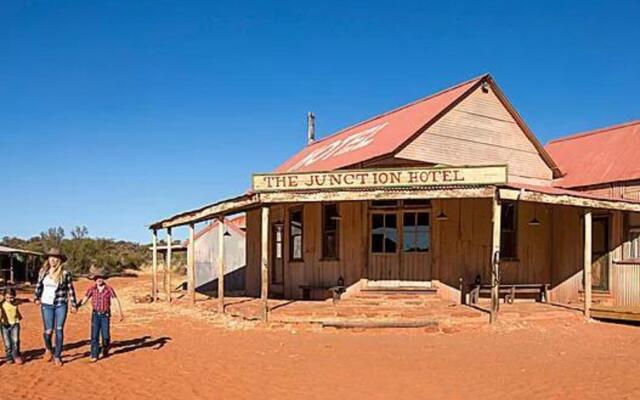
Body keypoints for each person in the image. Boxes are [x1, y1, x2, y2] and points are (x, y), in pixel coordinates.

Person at [34, 248, 78, 367]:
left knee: (59, 330)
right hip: (46, 305)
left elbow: (70, 289)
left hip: (60, 304)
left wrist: (74, 304)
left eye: (55, 258)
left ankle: (57, 356)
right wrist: (36, 297)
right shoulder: (43, 272)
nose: (53, 260)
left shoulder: (65, 274)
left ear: (59, 260)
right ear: (48, 259)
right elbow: (38, 286)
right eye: (51, 257)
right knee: (48, 331)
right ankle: (48, 348)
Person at [78, 267, 124, 362]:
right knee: (94, 335)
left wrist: (120, 313)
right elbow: (85, 299)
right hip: (95, 314)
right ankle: (94, 354)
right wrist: (77, 306)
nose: (99, 279)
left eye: (101, 277)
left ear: (104, 278)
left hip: (105, 315)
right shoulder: (92, 289)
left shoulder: (109, 289)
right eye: (97, 278)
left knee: (105, 335)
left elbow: (115, 300)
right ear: (94, 279)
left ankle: (105, 348)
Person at [1, 288, 23, 365]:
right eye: (7, 298)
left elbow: (23, 301)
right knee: (7, 343)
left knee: (15, 340)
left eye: (11, 297)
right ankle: (9, 356)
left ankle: (16, 355)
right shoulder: (1, 304)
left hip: (15, 324)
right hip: (4, 325)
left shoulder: (16, 302)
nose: (10, 299)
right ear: (4, 296)